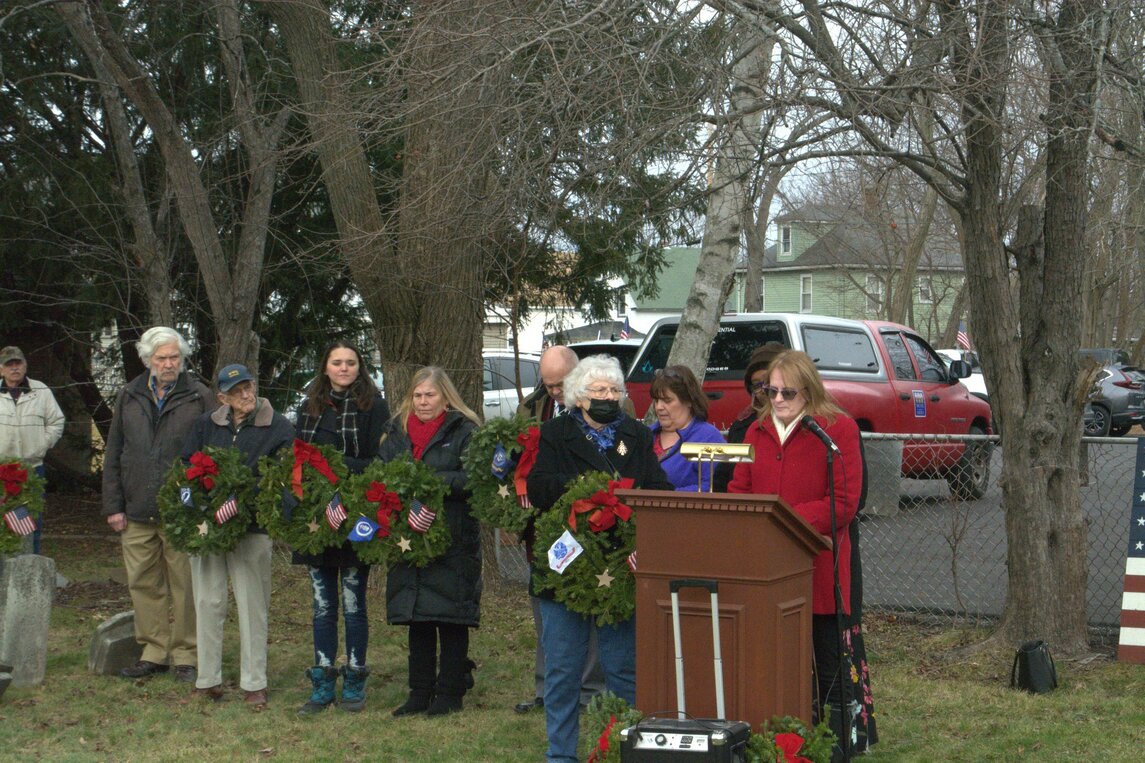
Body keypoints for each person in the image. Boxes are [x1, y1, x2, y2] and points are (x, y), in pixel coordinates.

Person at [527, 355, 673, 763]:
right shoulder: (554, 433)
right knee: (563, 669)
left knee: (622, 668)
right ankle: (561, 754)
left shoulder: (636, 435)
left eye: (614, 390)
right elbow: (538, 488)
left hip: (619, 567)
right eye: (599, 391)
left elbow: (658, 489)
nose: (609, 397)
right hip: (567, 567)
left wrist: (630, 503)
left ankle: (625, 749)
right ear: (579, 396)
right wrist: (587, 490)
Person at [726, 350, 868, 755]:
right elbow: (740, 490)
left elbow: (844, 501)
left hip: (819, 569)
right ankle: (783, 745)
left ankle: (836, 748)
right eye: (770, 391)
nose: (777, 399)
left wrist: (783, 519)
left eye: (787, 392)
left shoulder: (837, 430)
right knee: (776, 666)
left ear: (809, 390)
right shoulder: (756, 432)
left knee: (829, 667)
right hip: (767, 572)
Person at [181, 364, 294, 709]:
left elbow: (282, 476)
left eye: (248, 387)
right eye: (236, 391)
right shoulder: (205, 425)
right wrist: (200, 503)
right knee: (207, 602)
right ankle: (207, 679)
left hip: (252, 527)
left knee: (252, 605)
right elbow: (186, 466)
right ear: (222, 398)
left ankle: (254, 683)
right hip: (208, 527)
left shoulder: (279, 426)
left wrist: (240, 499)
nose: (246, 395)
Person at [102, 327, 209, 682]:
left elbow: (214, 453)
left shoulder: (198, 396)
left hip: (181, 511)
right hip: (135, 509)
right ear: (148, 360)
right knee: (143, 584)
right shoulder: (129, 395)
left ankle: (187, 655)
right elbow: (114, 451)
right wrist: (113, 505)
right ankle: (153, 652)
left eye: (174, 357)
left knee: (185, 585)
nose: (169, 364)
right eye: (162, 358)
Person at [379, 366, 482, 717]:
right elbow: (382, 474)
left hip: (452, 538)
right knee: (418, 618)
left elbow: (473, 479)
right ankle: (419, 691)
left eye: (430, 395)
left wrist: (431, 482)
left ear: (445, 398)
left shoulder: (464, 431)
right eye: (417, 395)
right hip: (409, 538)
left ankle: (450, 692)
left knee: (450, 619)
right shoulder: (396, 432)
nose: (423, 402)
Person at [294, 342, 391, 714]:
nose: (344, 368)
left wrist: (336, 466)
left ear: (359, 367)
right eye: (337, 362)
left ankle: (354, 677)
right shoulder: (309, 407)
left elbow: (378, 462)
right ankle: (322, 681)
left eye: (351, 362)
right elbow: (298, 458)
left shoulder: (374, 406)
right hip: (317, 518)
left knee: (353, 604)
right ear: (326, 367)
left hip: (354, 516)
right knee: (322, 607)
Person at [514, 345, 607, 715]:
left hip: (589, 521)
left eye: (560, 384)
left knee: (589, 600)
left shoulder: (602, 405)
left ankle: (589, 690)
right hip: (542, 522)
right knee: (545, 605)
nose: (554, 391)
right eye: (548, 384)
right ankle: (547, 689)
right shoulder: (533, 408)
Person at [0, 346, 65, 554]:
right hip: (2, 470)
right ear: (1, 369)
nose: (14, 368)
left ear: (25, 366)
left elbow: (56, 421)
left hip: (32, 469)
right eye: (9, 364)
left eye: (18, 363)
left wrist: (42, 444)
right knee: (3, 523)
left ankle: (29, 564)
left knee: (29, 522)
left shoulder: (41, 391)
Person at [712, 342, 786, 492]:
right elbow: (724, 478)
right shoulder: (742, 427)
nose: (763, 389)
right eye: (757, 385)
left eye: (768, 381)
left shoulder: (809, 423)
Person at [649, 365, 726, 491]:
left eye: (667, 400)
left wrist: (666, 494)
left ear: (688, 400)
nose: (658, 407)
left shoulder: (709, 437)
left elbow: (712, 487)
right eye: (656, 400)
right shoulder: (645, 434)